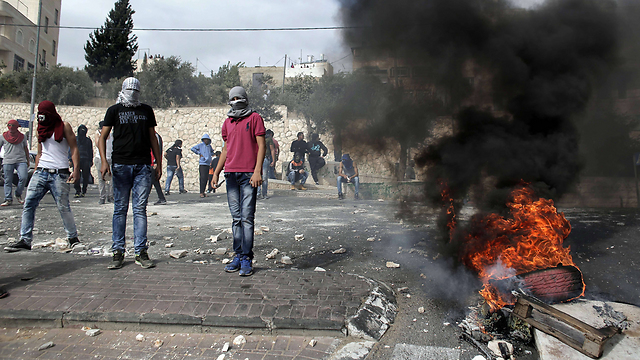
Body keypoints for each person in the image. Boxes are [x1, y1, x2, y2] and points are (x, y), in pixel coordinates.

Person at [99, 77, 161, 270]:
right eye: (130, 89)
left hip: (142, 166)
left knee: (140, 209)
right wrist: (104, 161)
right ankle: (118, 251)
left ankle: (140, 251)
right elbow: (103, 137)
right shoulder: (114, 110)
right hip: (120, 166)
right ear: (123, 90)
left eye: (136, 89)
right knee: (120, 209)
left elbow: (152, 137)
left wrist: (158, 162)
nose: (133, 92)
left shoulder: (146, 110)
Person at [4, 101, 81, 252]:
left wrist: (76, 168)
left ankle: (73, 238)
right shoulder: (41, 128)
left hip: (59, 173)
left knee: (63, 207)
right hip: (41, 171)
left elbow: (74, 148)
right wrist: (36, 170)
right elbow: (39, 152)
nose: (42, 116)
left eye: (45, 113)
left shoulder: (64, 126)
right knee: (29, 203)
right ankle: (25, 240)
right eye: (40, 113)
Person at [212, 86, 266, 277]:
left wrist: (257, 171)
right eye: (233, 98)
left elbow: (261, 146)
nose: (236, 100)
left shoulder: (255, 118)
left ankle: (246, 258)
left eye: (239, 97)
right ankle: (237, 254)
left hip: (249, 175)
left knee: (247, 218)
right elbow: (226, 149)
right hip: (231, 175)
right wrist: (216, 172)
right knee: (236, 219)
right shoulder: (228, 122)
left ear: (245, 98)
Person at [0, 119, 30, 206]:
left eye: (13, 125)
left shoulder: (22, 137)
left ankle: (18, 193)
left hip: (21, 160)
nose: (11, 127)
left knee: (24, 177)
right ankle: (8, 199)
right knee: (8, 180)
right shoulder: (3, 136)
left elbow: (25, 149)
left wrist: (28, 160)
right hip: (8, 161)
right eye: (9, 125)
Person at [94, 121, 113, 204]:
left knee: (112, 179)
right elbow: (98, 145)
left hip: (110, 159)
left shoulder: (112, 136)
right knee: (101, 179)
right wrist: (100, 135)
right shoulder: (98, 135)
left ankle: (110, 196)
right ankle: (102, 197)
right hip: (100, 159)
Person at [191, 134, 214, 198]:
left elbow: (212, 152)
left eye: (207, 140)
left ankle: (204, 191)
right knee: (202, 178)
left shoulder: (209, 146)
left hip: (208, 164)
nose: (206, 141)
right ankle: (201, 192)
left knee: (206, 178)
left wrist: (210, 156)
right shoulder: (200, 145)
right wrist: (199, 153)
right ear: (203, 140)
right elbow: (192, 148)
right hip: (202, 163)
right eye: (205, 140)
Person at [73, 125, 93, 198]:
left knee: (85, 176)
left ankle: (82, 191)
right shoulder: (75, 139)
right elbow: (72, 149)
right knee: (78, 176)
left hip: (85, 160)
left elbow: (90, 151)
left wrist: (91, 160)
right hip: (78, 159)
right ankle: (79, 191)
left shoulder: (87, 140)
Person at [257, 131, 276, 199]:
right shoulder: (255, 137)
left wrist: (273, 160)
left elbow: (272, 149)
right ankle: (258, 193)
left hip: (265, 158)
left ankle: (264, 193)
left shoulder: (268, 138)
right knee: (257, 175)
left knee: (264, 177)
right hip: (256, 158)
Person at [150, 131, 166, 205]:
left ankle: (161, 198)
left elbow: (157, 149)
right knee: (153, 181)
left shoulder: (155, 136)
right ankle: (161, 198)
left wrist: (156, 162)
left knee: (152, 180)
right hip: (150, 162)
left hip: (153, 163)